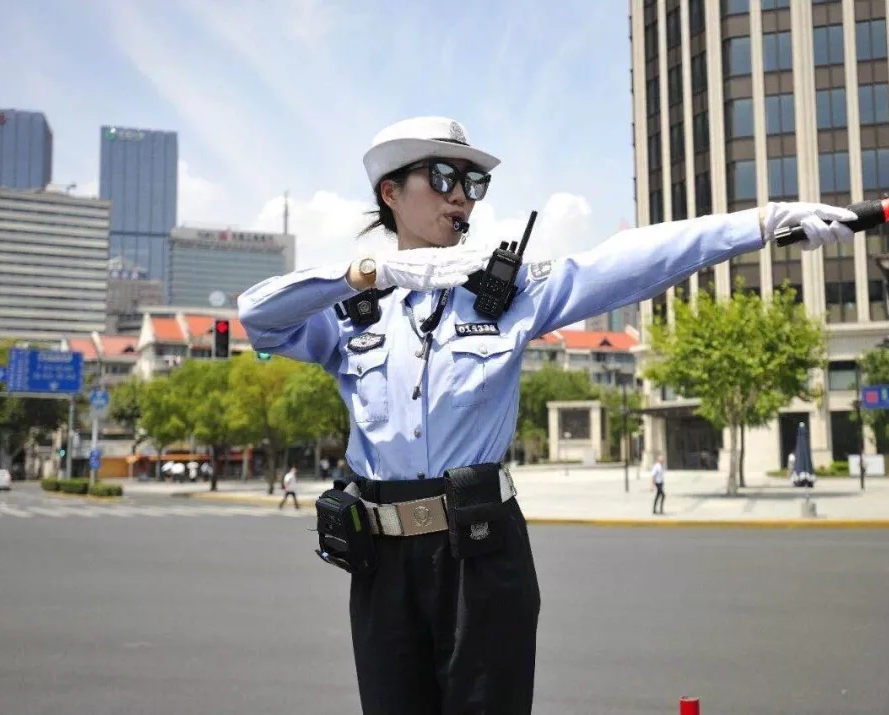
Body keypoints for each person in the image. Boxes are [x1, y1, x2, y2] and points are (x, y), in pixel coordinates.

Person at [237, 115, 856, 714]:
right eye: (444, 177)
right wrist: (367, 271)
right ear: (390, 191)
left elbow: (629, 261)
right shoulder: (352, 311)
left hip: (478, 554)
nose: (463, 198)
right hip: (382, 563)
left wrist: (764, 222)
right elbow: (258, 315)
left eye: (472, 184)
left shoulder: (505, 293)